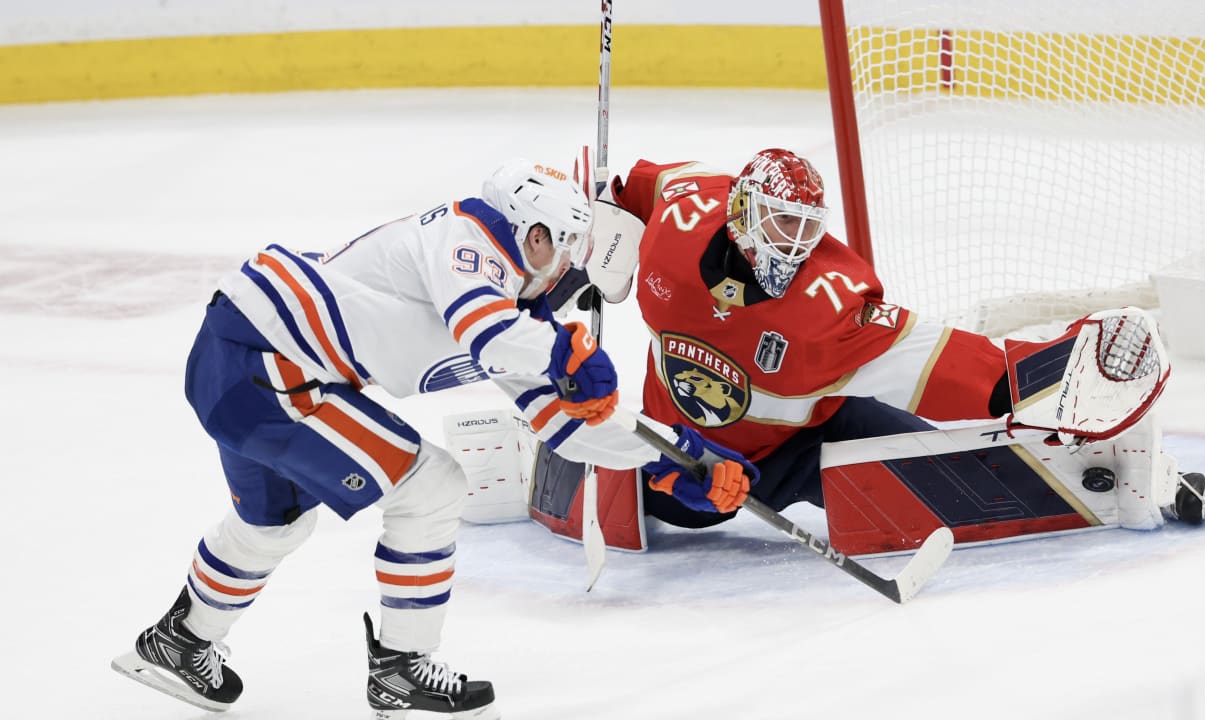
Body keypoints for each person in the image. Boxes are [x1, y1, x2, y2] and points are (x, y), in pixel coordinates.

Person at [110, 158, 756, 719]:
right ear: (532, 234)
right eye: (566, 247)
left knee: (275, 523)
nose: (571, 269)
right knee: (432, 488)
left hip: (254, 362)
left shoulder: (517, 311)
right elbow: (488, 332)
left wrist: (674, 456)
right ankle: (400, 671)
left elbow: (564, 424)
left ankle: (180, 644)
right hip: (266, 361)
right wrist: (563, 350)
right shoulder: (465, 236)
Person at [588, 148, 1205, 537]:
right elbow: (644, 185)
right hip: (691, 458)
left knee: (941, 475)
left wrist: (1040, 378)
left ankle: (1128, 486)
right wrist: (601, 216)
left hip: (806, 440)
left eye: (808, 229)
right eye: (781, 224)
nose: (794, 244)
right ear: (741, 211)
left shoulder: (826, 310)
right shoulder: (680, 218)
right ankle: (655, 474)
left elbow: (938, 360)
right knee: (684, 501)